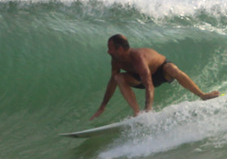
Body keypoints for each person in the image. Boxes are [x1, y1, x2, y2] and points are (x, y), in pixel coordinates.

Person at [90, 34, 219, 120]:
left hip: (161, 71)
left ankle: (202, 95)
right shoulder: (116, 60)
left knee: (172, 69)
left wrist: (149, 110)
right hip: (138, 77)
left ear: (120, 49)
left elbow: (149, 85)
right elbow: (112, 83)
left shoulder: (138, 57)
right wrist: (103, 106)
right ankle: (137, 113)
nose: (108, 51)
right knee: (118, 78)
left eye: (110, 48)